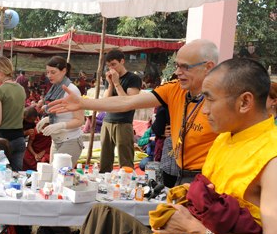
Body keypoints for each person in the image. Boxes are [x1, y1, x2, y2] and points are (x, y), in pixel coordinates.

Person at [62, 58, 277, 234]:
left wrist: (199, 232)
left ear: (244, 102)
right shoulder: (225, 138)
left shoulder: (272, 159)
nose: (205, 111)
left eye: (209, 100)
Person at [49, 39, 219, 185]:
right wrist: (84, 103)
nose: (177, 72)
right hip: (177, 171)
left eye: (185, 67)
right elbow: (127, 101)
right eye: (177, 66)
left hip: (207, 177)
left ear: (208, 67)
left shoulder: (224, 99)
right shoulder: (174, 90)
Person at [96, 49, 142, 172]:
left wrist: (117, 83)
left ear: (122, 61)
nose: (111, 68)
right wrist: (110, 84)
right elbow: (105, 102)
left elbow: (129, 102)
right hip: (108, 121)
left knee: (125, 160)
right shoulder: (110, 79)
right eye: (109, 65)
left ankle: (127, 185)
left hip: (123, 122)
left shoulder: (133, 78)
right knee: (105, 159)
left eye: (114, 64)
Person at [36, 56, 85, 167]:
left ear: (64, 71)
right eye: (47, 72)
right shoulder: (55, 87)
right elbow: (62, 114)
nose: (49, 76)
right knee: (50, 176)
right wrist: (47, 119)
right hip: (56, 140)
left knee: (58, 175)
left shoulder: (71, 90)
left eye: (53, 72)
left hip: (70, 140)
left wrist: (60, 125)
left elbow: (80, 120)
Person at [23, 106, 51, 170]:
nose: (45, 127)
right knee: (24, 155)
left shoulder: (52, 132)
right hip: (34, 151)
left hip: (46, 151)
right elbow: (29, 145)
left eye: (47, 125)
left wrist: (43, 152)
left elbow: (52, 145)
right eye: (44, 125)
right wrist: (35, 154)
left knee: (45, 159)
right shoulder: (36, 130)